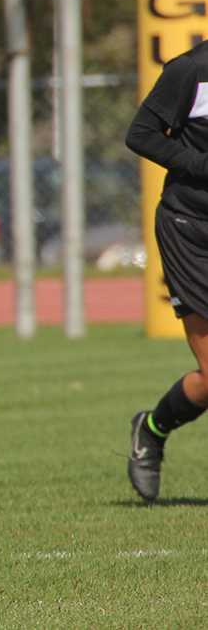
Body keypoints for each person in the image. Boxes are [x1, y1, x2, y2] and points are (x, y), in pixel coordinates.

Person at [124, 41, 208, 501]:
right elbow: (140, 134)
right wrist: (200, 165)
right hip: (192, 230)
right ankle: (152, 429)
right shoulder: (192, 70)